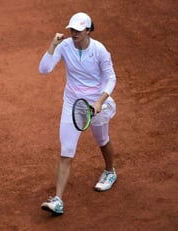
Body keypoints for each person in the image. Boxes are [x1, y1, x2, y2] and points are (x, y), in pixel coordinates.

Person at [38, 12, 117, 215]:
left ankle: (110, 171)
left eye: (78, 30)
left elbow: (111, 79)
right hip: (73, 104)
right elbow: (44, 69)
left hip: (96, 103)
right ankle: (58, 200)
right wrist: (52, 45)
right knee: (66, 150)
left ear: (88, 31)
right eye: (72, 29)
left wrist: (100, 102)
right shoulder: (64, 47)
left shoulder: (99, 50)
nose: (73, 33)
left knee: (102, 140)